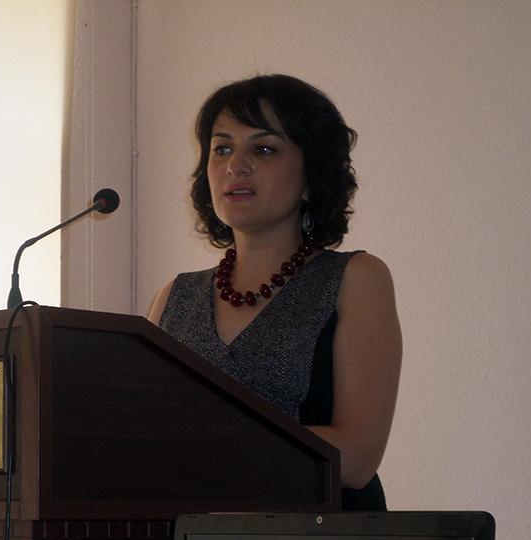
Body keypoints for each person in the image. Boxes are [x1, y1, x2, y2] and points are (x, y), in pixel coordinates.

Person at [147, 74, 401, 511]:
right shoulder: (174, 297)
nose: (235, 165)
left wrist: (201, 442)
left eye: (263, 149)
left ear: (311, 176)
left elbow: (357, 457)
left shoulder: (355, 278)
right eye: (221, 149)